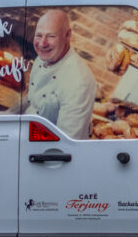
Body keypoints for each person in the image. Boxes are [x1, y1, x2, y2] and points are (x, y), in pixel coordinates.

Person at [24, 9, 97, 140]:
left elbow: (67, 141)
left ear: (67, 35)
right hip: (28, 131)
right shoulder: (43, 58)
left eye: (51, 36)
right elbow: (32, 100)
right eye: (39, 35)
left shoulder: (79, 81)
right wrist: (6, 116)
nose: (42, 43)